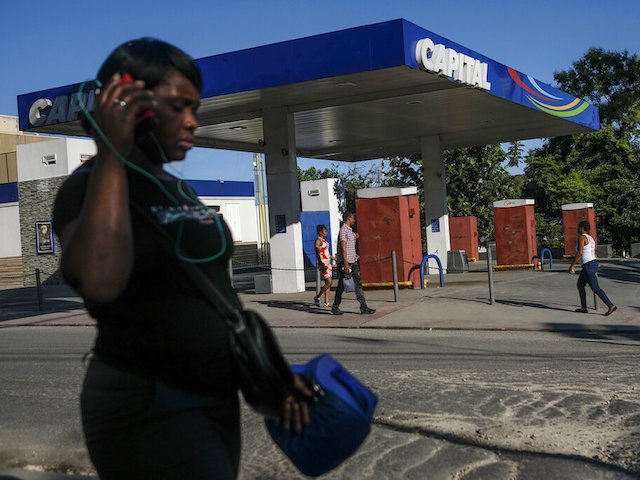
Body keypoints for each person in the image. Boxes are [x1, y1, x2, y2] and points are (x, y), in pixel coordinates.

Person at [52, 38, 310, 480]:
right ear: (133, 105)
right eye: (179, 106)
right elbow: (97, 280)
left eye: (196, 107)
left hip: (213, 398)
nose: (193, 122)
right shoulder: (91, 186)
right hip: (148, 403)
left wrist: (274, 376)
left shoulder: (176, 186)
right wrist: (112, 153)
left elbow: (216, 293)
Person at [331, 211, 376, 316]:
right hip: (346, 263)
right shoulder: (343, 231)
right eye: (353, 218)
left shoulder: (349, 231)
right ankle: (335, 306)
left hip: (353, 261)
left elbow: (350, 242)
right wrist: (346, 264)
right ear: (349, 218)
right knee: (342, 286)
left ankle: (363, 307)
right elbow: (343, 247)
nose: (354, 220)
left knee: (357, 284)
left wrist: (355, 237)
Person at [569, 220, 617, 316]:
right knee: (580, 285)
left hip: (588, 265)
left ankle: (610, 305)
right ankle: (583, 308)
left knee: (595, 287)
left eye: (579, 227)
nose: (577, 229)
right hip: (591, 263)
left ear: (582, 228)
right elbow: (592, 251)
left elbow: (580, 252)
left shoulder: (582, 237)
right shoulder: (591, 238)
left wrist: (572, 265)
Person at [313, 224, 335, 307]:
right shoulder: (318, 241)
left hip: (328, 263)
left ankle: (326, 302)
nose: (326, 232)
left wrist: (334, 259)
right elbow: (317, 249)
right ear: (320, 232)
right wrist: (320, 262)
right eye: (325, 231)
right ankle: (317, 296)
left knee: (327, 283)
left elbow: (327, 253)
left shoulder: (324, 241)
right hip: (323, 264)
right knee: (329, 282)